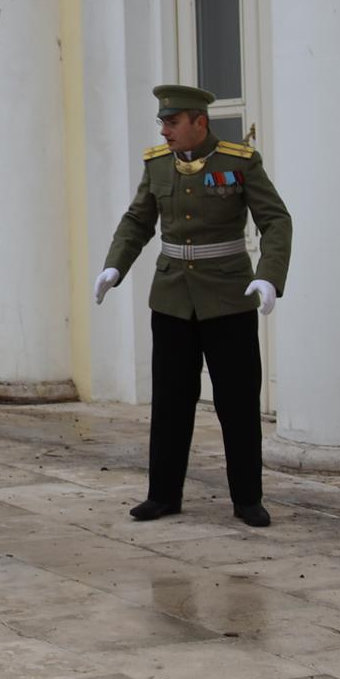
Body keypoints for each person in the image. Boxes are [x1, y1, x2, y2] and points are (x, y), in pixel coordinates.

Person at [94, 83, 293, 527]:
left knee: (237, 402)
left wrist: (268, 276)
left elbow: (275, 220)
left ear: (199, 123)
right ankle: (163, 495)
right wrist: (114, 267)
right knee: (169, 400)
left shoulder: (238, 162)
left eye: (172, 122)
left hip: (227, 297)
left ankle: (247, 499)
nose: (164, 130)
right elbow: (137, 221)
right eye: (162, 122)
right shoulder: (159, 165)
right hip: (171, 299)